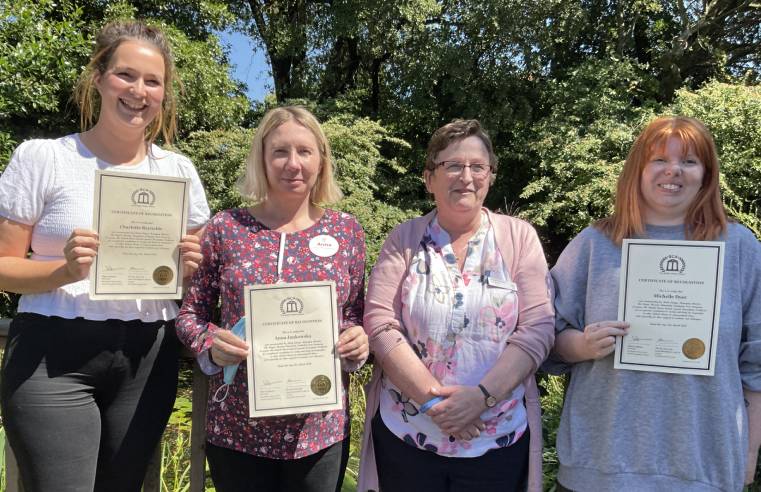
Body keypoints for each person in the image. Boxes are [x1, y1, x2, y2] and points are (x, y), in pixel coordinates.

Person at [0, 20, 210, 492]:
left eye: (152, 81)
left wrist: (193, 270)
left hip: (147, 354)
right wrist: (64, 269)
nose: (138, 91)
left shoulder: (178, 171)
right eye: (125, 75)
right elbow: (3, 267)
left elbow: (192, 288)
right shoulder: (43, 159)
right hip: (51, 356)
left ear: (164, 93)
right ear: (98, 77)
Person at [548, 116, 761, 491]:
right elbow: (545, 338)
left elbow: (757, 365)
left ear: (706, 174)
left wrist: (749, 452)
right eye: (660, 159)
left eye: (689, 161)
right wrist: (581, 345)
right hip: (600, 468)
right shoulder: (594, 244)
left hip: (702, 469)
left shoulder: (740, 248)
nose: (673, 171)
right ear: (639, 170)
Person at [175, 105, 369, 492]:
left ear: (321, 160)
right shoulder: (226, 228)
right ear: (261, 159)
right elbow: (190, 314)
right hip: (237, 427)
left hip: (319, 429)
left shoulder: (347, 232)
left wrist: (357, 341)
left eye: (304, 151)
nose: (292, 163)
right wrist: (211, 344)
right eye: (280, 151)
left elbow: (353, 315)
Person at [357, 119, 554, 492]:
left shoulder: (519, 238)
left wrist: (480, 399)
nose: (466, 176)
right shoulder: (404, 238)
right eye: (452, 165)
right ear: (429, 178)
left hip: (496, 442)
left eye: (477, 166)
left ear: (491, 176)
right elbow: (379, 322)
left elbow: (538, 328)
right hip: (408, 437)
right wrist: (434, 402)